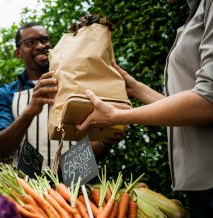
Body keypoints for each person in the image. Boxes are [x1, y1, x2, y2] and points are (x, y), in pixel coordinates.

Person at [76, 0, 213, 216]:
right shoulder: (197, 10)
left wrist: (118, 116)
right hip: (201, 183)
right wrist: (135, 87)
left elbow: (207, 102)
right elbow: (189, 109)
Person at [0, 22, 112, 168]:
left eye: (44, 40)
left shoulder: (77, 85)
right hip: (27, 187)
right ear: (18, 52)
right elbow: (1, 150)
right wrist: (29, 112)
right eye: (30, 42)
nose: (41, 46)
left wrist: (106, 141)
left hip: (77, 185)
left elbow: (90, 146)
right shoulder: (5, 94)